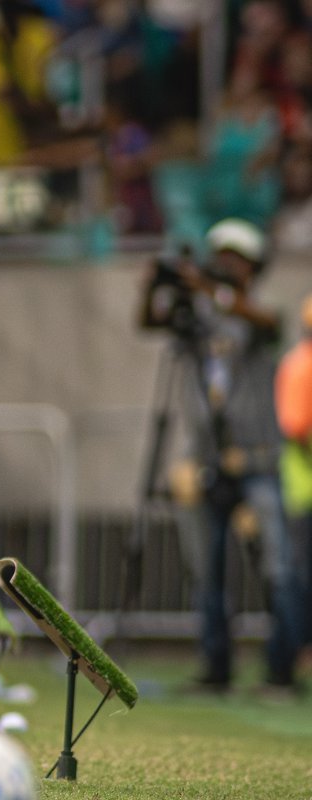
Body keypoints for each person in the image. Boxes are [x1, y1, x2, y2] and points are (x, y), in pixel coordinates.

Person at [139, 218, 302, 694]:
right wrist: (156, 287)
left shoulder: (258, 313)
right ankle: (216, 669)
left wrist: (208, 287)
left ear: (251, 267)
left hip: (258, 460)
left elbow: (268, 323)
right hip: (207, 461)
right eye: (220, 254)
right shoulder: (199, 319)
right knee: (208, 572)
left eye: (234, 256)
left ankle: (280, 672)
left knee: (280, 568)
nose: (224, 262)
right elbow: (149, 322)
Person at [275, 294, 312, 655]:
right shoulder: (302, 365)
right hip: (305, 489)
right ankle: (294, 654)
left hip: (302, 489)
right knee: (299, 576)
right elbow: (297, 427)